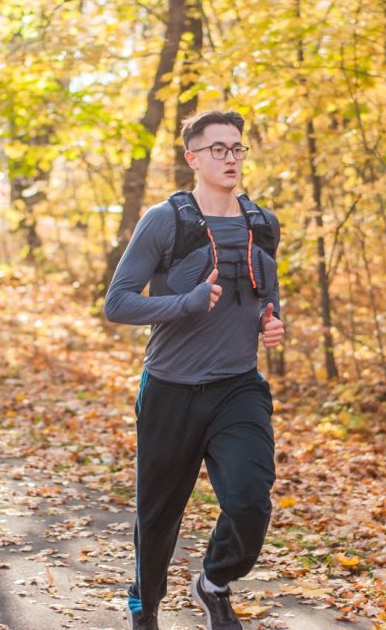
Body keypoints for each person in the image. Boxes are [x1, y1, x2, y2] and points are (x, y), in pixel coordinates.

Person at [104, 110, 284, 630]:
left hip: (237, 388)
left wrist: (272, 322)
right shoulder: (166, 220)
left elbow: (267, 297)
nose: (230, 158)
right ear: (193, 159)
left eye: (237, 149)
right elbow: (116, 304)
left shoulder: (261, 223)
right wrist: (184, 303)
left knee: (251, 501)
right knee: (157, 519)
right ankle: (146, 608)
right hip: (170, 390)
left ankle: (214, 583)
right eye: (218, 149)